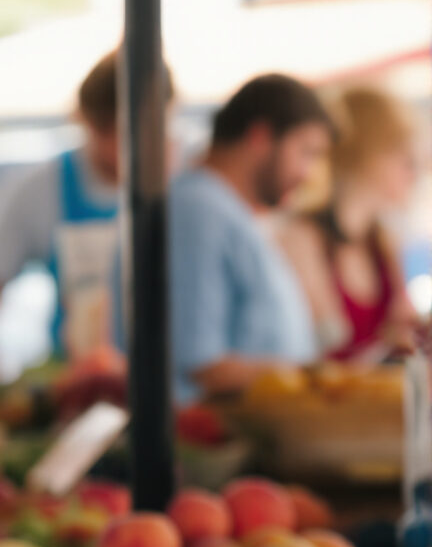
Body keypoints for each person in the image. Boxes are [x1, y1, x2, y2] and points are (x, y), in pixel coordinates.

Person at [0, 52, 165, 372]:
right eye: (109, 131)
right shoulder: (35, 192)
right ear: (86, 122)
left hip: (170, 381)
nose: (124, 146)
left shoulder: (186, 184)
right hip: (76, 383)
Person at [168, 73, 332, 399]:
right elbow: (201, 362)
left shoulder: (223, 208)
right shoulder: (199, 210)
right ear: (260, 137)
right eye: (306, 152)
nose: (308, 174)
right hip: (208, 440)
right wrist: (315, 380)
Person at [276, 86, 421, 363]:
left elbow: (405, 330)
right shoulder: (301, 238)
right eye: (404, 156)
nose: (414, 171)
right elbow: (323, 352)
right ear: (367, 154)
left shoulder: (382, 239)